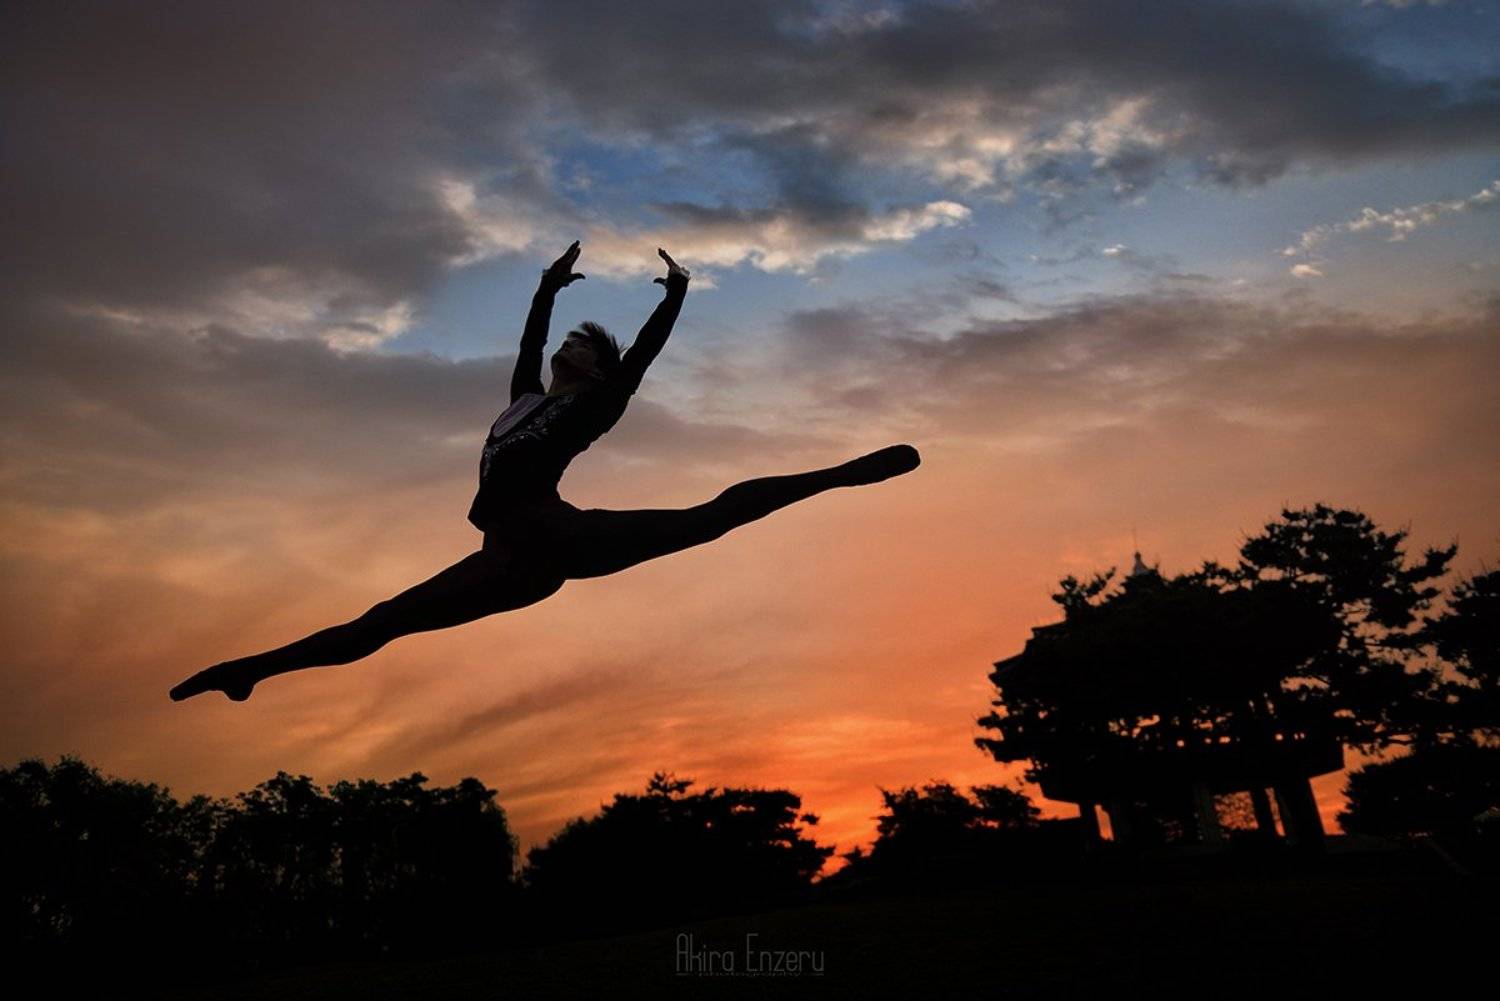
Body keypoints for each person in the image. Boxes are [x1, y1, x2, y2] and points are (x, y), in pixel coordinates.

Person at [169, 243, 920, 702]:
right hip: (506, 560)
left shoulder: (595, 405)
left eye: (586, 348)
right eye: (572, 342)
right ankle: (248, 670)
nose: (572, 348)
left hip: (558, 538)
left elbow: (642, 358)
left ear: (598, 371)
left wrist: (678, 297)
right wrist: (547, 287)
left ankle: (846, 472)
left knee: (711, 515)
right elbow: (528, 345)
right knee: (382, 622)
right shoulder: (522, 400)